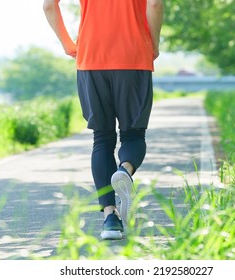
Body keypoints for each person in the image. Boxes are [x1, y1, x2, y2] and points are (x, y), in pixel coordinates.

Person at [43, 0, 164, 240]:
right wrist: (154, 43)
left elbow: (48, 5)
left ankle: (110, 218)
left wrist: (68, 44)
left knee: (102, 139)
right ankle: (125, 171)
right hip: (133, 56)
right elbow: (155, 3)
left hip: (91, 57)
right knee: (133, 134)